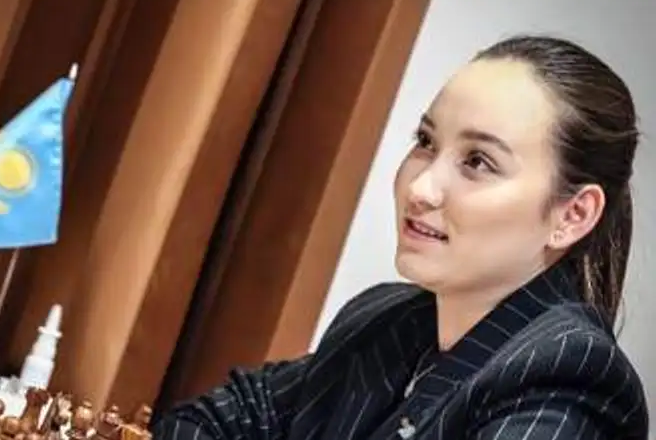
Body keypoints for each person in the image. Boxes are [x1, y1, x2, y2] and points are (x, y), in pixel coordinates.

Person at [152, 35, 649, 439]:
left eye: (478, 162)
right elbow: (212, 420)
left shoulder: (570, 378)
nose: (420, 188)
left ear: (573, 216)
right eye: (426, 142)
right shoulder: (384, 319)